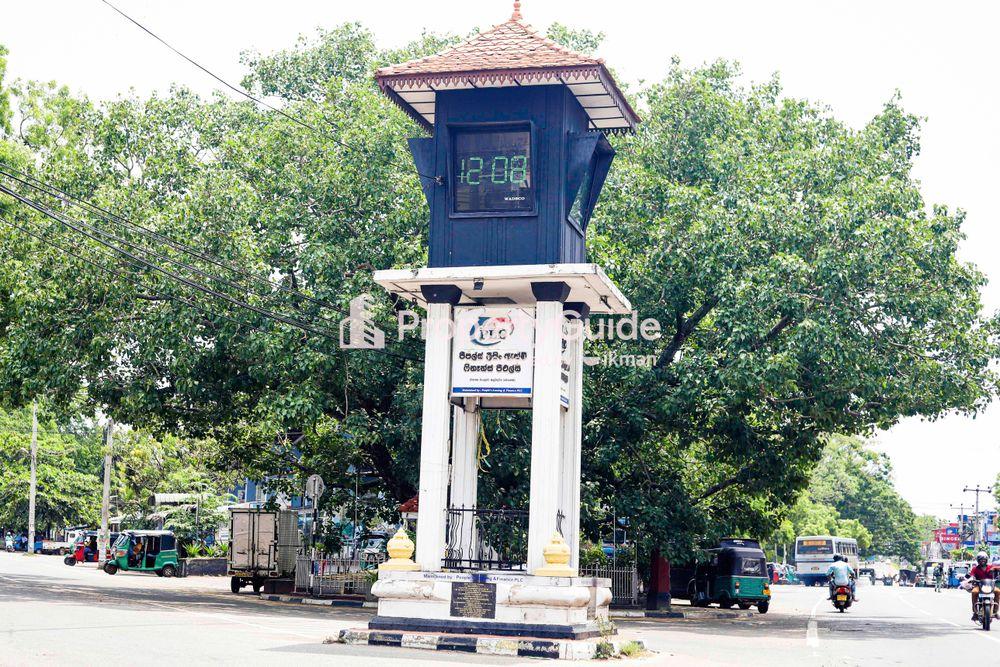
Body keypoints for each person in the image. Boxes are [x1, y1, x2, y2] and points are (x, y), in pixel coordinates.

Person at [964, 552, 999, 621]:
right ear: (978, 560)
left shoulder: (991, 567)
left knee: (998, 591)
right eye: (981, 560)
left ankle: (995, 611)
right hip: (979, 586)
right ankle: (975, 613)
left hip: (990, 586)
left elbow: (998, 568)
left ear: (986, 560)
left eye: (984, 559)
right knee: (974, 592)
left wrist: (995, 569)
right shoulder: (975, 568)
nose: (983, 561)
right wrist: (971, 579)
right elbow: (972, 575)